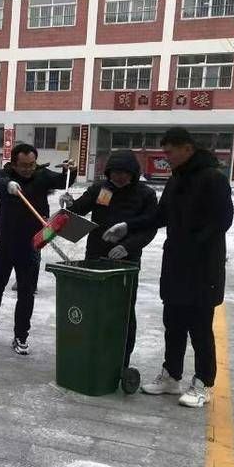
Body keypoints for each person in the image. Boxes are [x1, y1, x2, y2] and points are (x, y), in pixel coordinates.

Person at [102, 127, 234, 408]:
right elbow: (160, 216)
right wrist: (128, 226)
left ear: (187, 148)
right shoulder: (177, 179)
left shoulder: (213, 178)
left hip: (202, 266)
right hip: (174, 263)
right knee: (172, 324)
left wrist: (194, 245)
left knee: (199, 327)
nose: (167, 158)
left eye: (170, 152)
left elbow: (222, 221)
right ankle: (172, 376)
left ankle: (203, 383)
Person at [0, 143, 75, 355]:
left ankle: (21, 335)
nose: (28, 169)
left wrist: (69, 172)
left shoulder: (42, 175)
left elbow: (63, 181)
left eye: (31, 164)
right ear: (13, 163)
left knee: (26, 292)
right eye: (23, 166)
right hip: (4, 243)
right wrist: (7, 184)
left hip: (32, 244)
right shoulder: (6, 174)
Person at [64, 149, 158, 364]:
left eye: (124, 172)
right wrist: (70, 203)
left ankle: (122, 359)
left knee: (123, 310)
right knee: (94, 306)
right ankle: (92, 351)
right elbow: (80, 209)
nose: (119, 176)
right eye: (115, 172)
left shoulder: (145, 194)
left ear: (133, 172)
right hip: (96, 256)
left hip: (126, 260)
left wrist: (128, 246)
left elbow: (149, 227)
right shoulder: (101, 189)